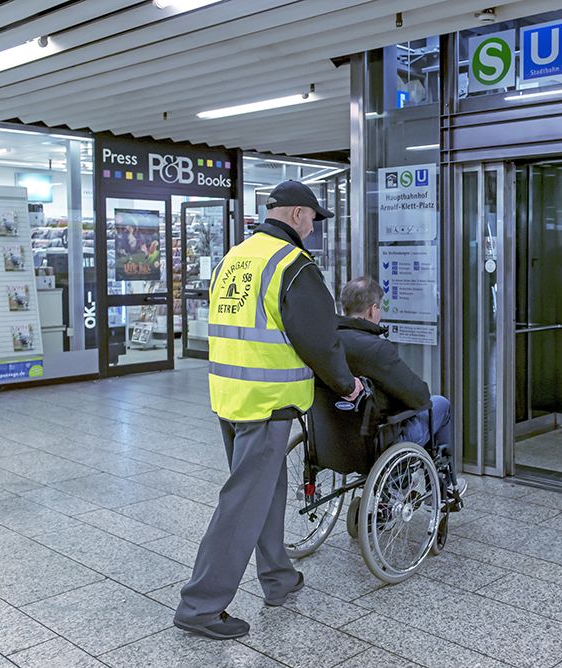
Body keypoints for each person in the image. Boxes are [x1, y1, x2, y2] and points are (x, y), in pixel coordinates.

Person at [174, 181, 362, 640]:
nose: (313, 227)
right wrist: (347, 384)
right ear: (297, 214)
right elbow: (319, 340)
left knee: (267, 492)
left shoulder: (234, 258)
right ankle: (200, 605)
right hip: (267, 402)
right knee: (242, 502)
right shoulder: (292, 265)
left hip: (230, 397)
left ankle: (278, 577)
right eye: (313, 218)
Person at [336, 275, 463, 500]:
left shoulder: (328, 343)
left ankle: (404, 483)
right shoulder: (376, 348)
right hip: (377, 442)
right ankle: (440, 490)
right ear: (372, 310)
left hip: (335, 440)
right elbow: (419, 396)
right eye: (380, 307)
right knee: (440, 404)